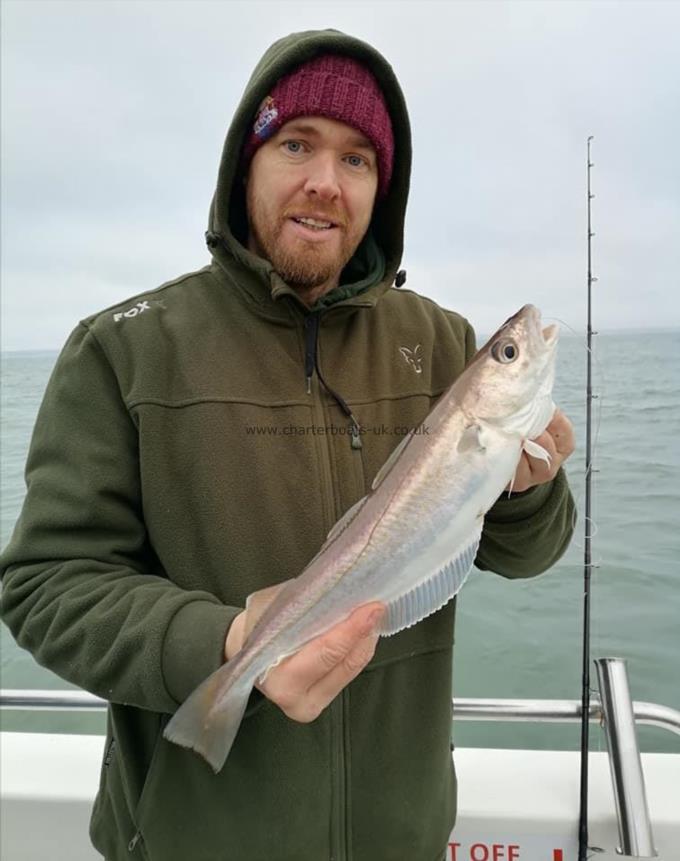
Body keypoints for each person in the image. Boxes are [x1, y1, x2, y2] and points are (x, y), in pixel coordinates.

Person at [0, 28, 575, 861]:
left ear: (384, 187)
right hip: (191, 840)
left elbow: (527, 554)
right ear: (246, 161)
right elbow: (46, 585)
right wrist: (227, 643)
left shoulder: (445, 342)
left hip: (401, 838)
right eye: (296, 143)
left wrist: (527, 491)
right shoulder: (124, 348)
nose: (324, 183)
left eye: (357, 160)